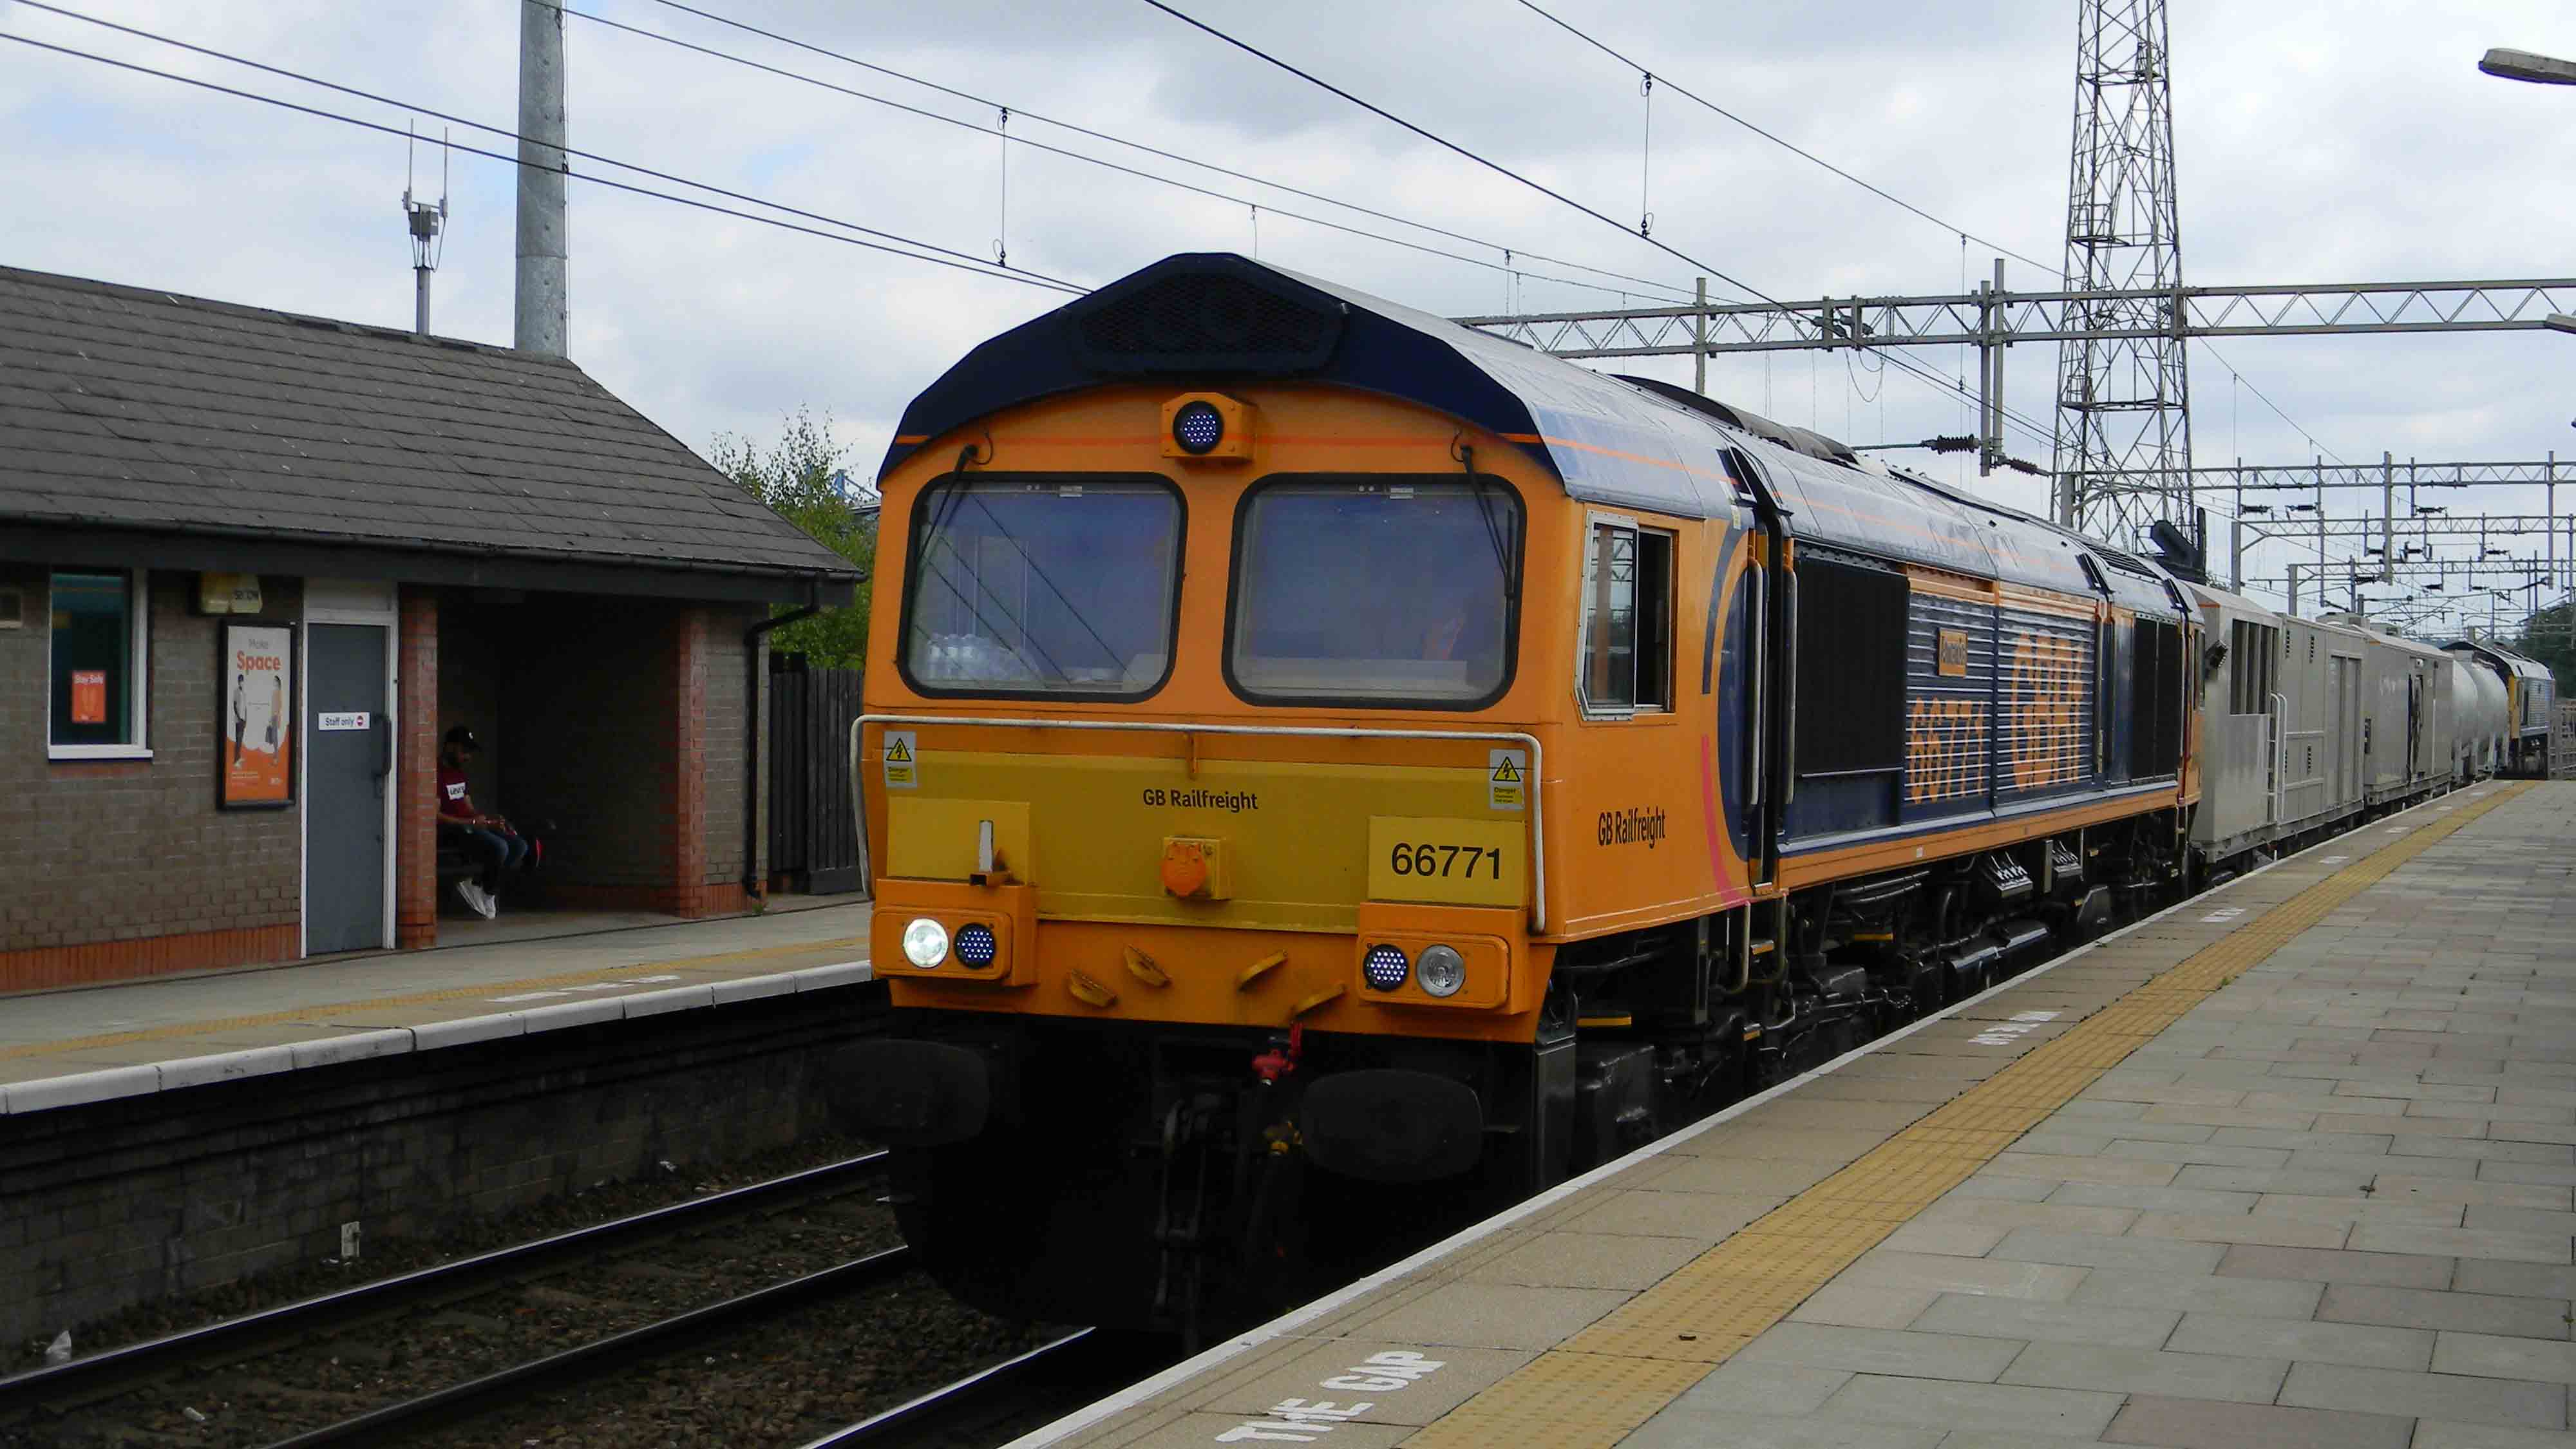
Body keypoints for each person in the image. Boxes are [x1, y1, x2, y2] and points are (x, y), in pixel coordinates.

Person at [437, 726, 527, 919]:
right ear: (450, 747)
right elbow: (435, 815)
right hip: (451, 830)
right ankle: (487, 891)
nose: (467, 757)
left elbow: (469, 807)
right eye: (464, 751)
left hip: (470, 826)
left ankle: (479, 885)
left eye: (470, 753)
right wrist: (470, 821)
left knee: (519, 845)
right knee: (500, 847)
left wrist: (489, 821)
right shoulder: (436, 773)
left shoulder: (459, 774)